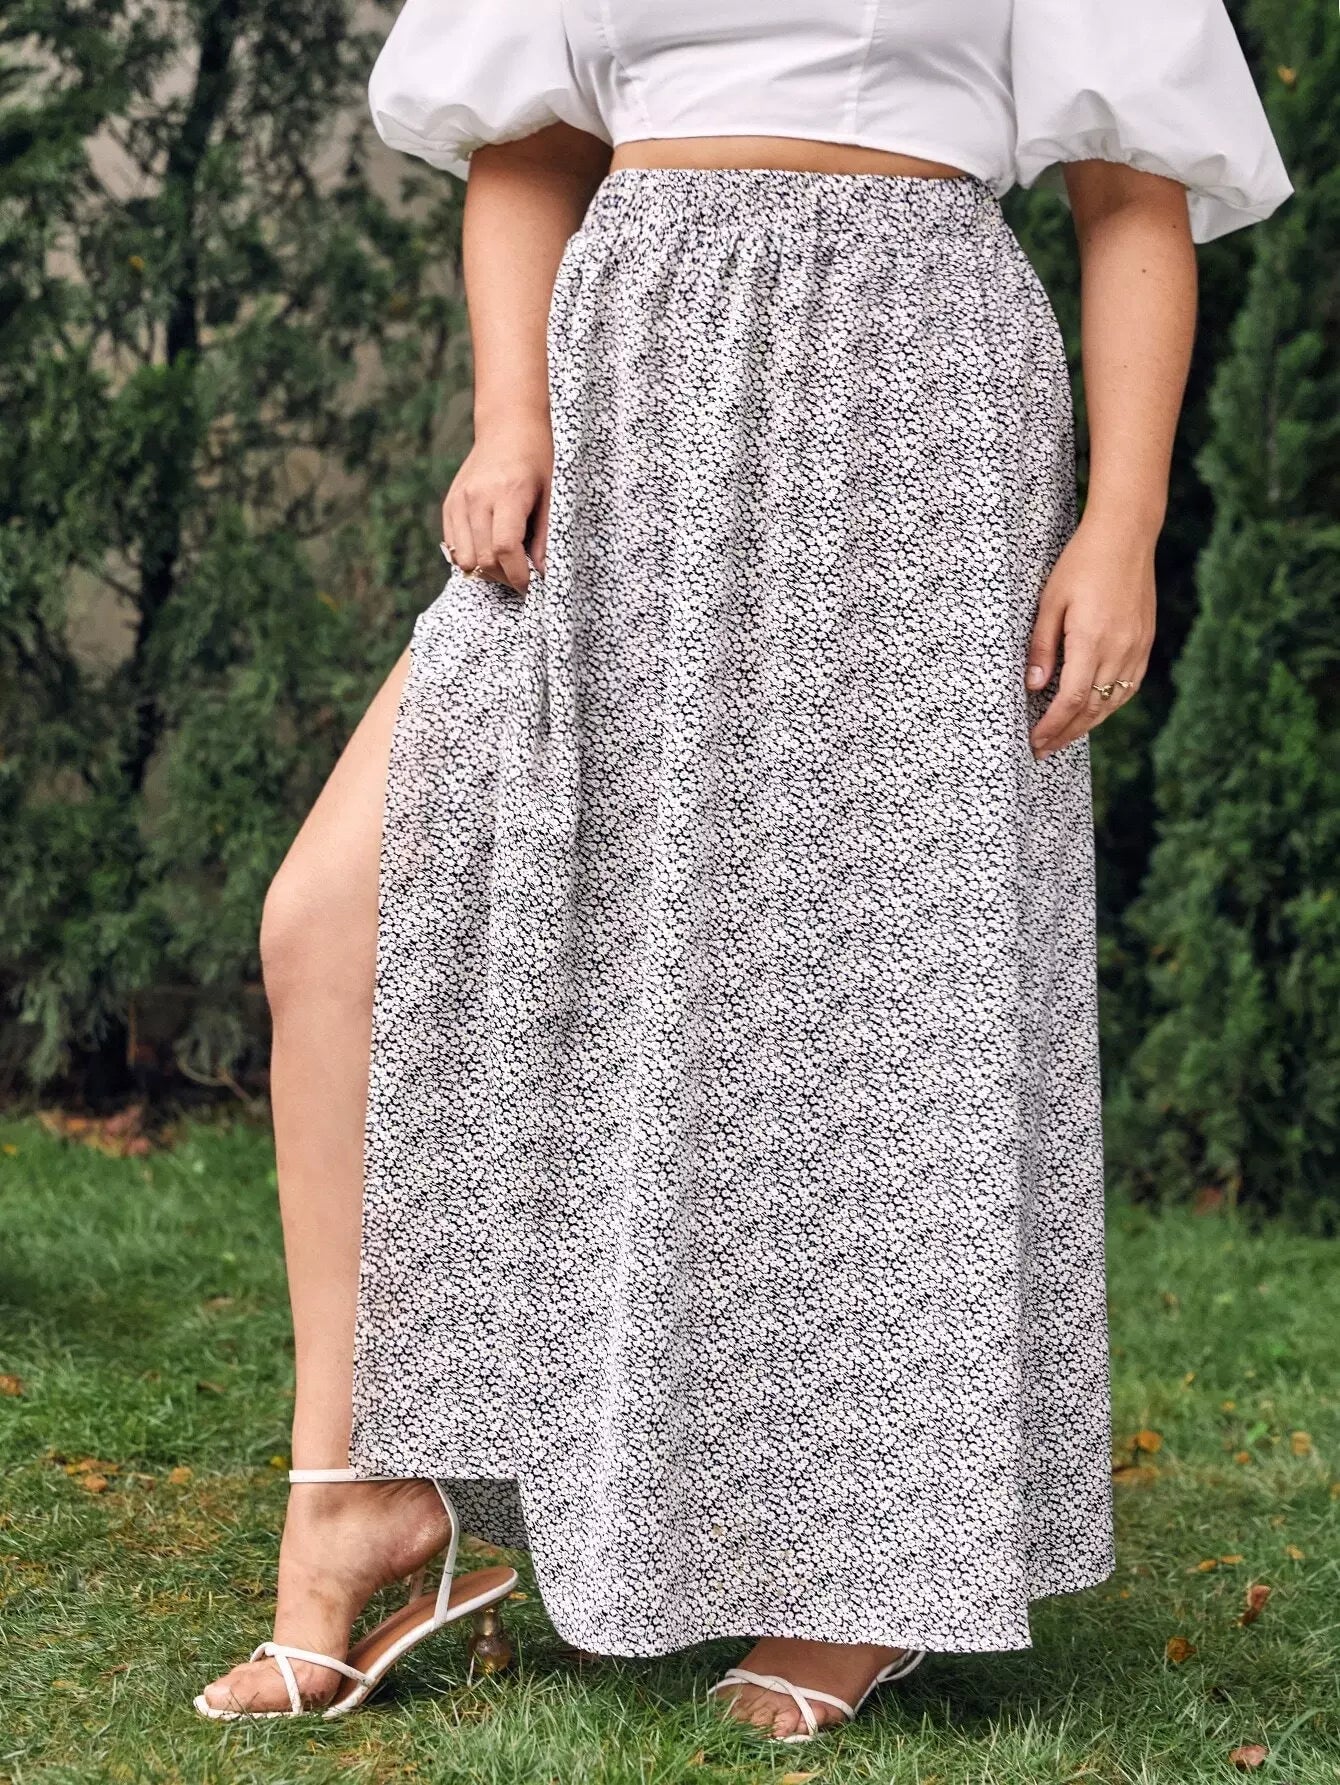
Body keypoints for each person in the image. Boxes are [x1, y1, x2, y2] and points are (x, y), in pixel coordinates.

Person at [195, 0, 1290, 1741]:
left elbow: (1129, 187)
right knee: (333, 917)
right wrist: (509, 411)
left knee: (863, 992)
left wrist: (1125, 520)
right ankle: (357, 1487)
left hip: (906, 419)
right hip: (627, 394)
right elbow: (528, 142)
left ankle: (860, 1570)